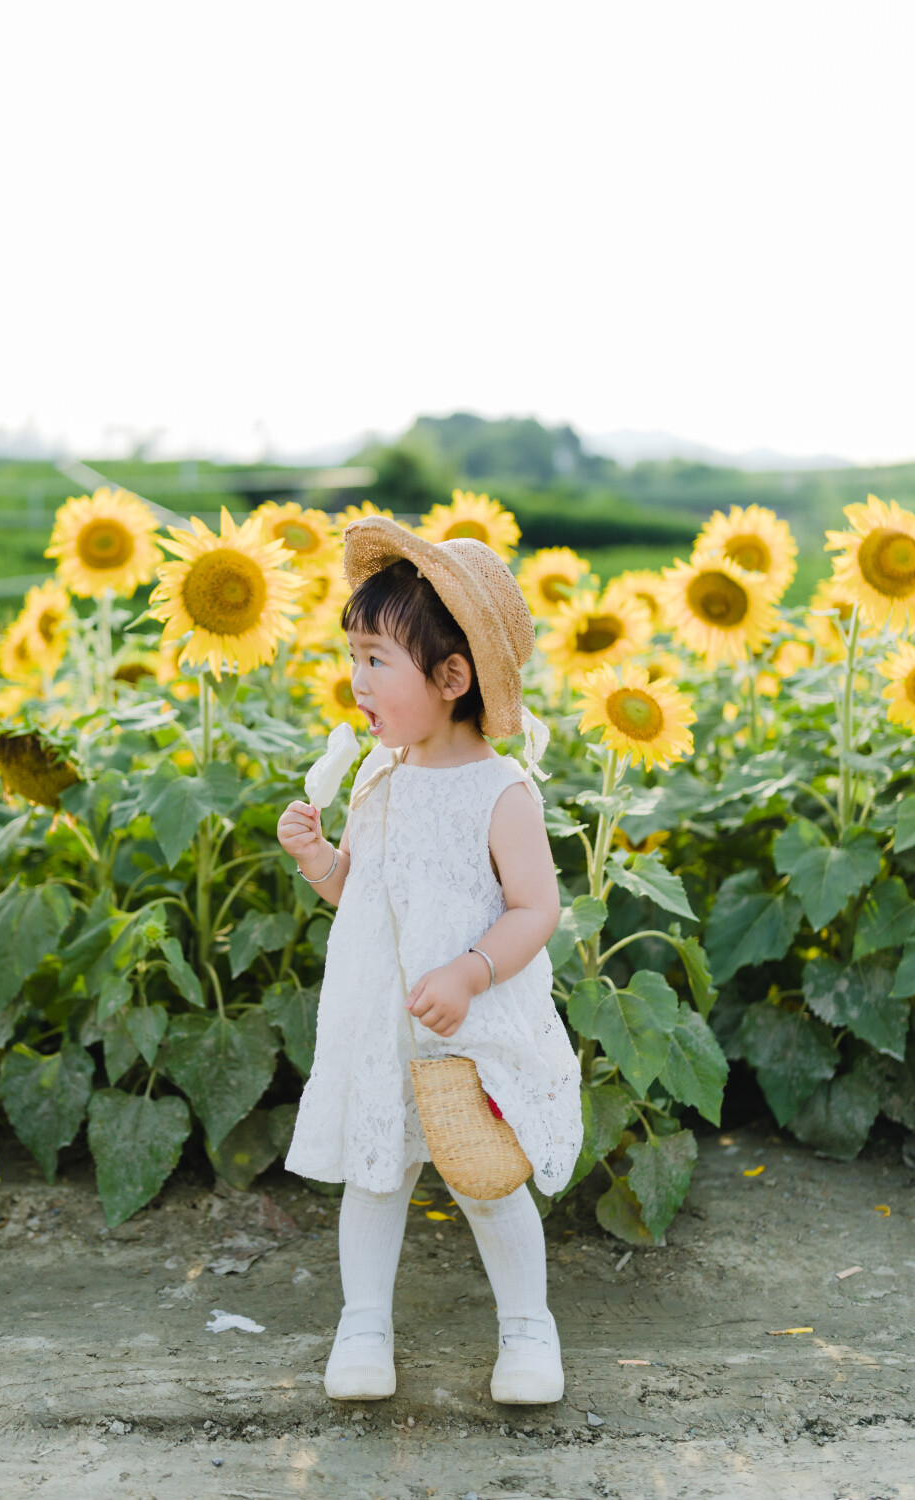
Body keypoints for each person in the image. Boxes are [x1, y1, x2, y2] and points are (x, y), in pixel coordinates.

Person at [277, 516, 583, 1405]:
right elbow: (367, 899)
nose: (354, 680)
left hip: (469, 1024)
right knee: (377, 1174)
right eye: (353, 655)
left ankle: (529, 1330)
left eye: (377, 660)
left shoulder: (500, 792)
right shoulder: (380, 777)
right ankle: (363, 1324)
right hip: (384, 1021)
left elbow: (536, 908)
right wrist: (321, 861)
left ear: (452, 678)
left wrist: (470, 971)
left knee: (487, 1178)